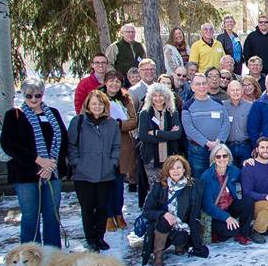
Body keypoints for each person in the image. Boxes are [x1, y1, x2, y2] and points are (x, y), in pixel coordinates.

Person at [0, 77, 69, 247]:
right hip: (26, 175)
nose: (33, 100)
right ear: (23, 95)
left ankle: (53, 254)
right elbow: (9, 144)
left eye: (37, 96)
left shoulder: (52, 113)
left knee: (52, 215)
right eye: (29, 96)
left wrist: (51, 164)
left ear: (42, 95)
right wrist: (38, 160)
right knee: (31, 216)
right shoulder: (14, 115)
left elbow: (64, 140)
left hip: (51, 173)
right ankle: (31, 254)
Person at [68, 90, 121, 252]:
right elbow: (71, 146)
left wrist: (112, 162)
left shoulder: (111, 124)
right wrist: (77, 163)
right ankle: (90, 238)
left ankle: (100, 236)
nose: (97, 107)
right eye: (94, 103)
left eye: (100, 103)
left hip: (105, 173)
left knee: (102, 207)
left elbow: (116, 146)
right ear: (88, 105)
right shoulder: (78, 122)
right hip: (84, 174)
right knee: (88, 207)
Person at [141, 156, 208, 266]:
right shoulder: (159, 186)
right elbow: (147, 211)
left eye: (178, 167)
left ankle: (179, 246)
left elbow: (193, 214)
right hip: (160, 226)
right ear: (167, 170)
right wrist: (163, 214)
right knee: (165, 221)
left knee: (181, 238)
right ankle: (158, 254)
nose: (176, 171)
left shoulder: (191, 186)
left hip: (180, 225)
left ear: (184, 170)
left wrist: (197, 244)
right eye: (172, 168)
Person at [98, 71, 137, 231]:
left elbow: (134, 120)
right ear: (106, 82)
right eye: (111, 81)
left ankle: (118, 213)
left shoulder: (126, 99)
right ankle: (107, 215)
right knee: (106, 182)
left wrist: (119, 124)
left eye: (117, 82)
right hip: (102, 145)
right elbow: (86, 118)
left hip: (122, 144)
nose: (114, 84)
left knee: (118, 183)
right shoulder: (97, 96)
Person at [137, 83, 184, 207]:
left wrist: (157, 132)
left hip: (169, 158)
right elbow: (143, 136)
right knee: (155, 189)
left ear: (167, 97)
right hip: (151, 158)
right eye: (155, 96)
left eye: (161, 96)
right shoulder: (145, 113)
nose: (158, 99)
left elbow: (177, 134)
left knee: (169, 188)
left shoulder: (173, 113)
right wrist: (167, 136)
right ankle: (153, 213)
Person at [200, 144, 254, 245]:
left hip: (230, 207)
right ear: (213, 158)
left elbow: (245, 175)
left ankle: (242, 234)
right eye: (218, 156)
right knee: (231, 231)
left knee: (248, 201)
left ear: (229, 157)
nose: (222, 159)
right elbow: (208, 206)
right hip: (216, 213)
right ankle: (217, 232)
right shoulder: (207, 176)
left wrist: (246, 163)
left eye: (225, 156)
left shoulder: (232, 170)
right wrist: (226, 217)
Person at [181, 74, 230, 179]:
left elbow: (226, 123)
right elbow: (189, 129)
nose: (202, 86)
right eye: (198, 84)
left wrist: (219, 141)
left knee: (219, 179)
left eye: (204, 83)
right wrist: (206, 143)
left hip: (218, 149)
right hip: (198, 150)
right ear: (192, 87)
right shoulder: (187, 106)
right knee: (199, 179)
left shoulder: (218, 103)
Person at [223, 80, 253, 167]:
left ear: (242, 91)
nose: (235, 92)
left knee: (245, 171)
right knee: (230, 172)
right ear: (228, 92)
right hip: (228, 146)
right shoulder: (223, 106)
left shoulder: (249, 106)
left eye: (237, 90)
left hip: (246, 146)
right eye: (232, 90)